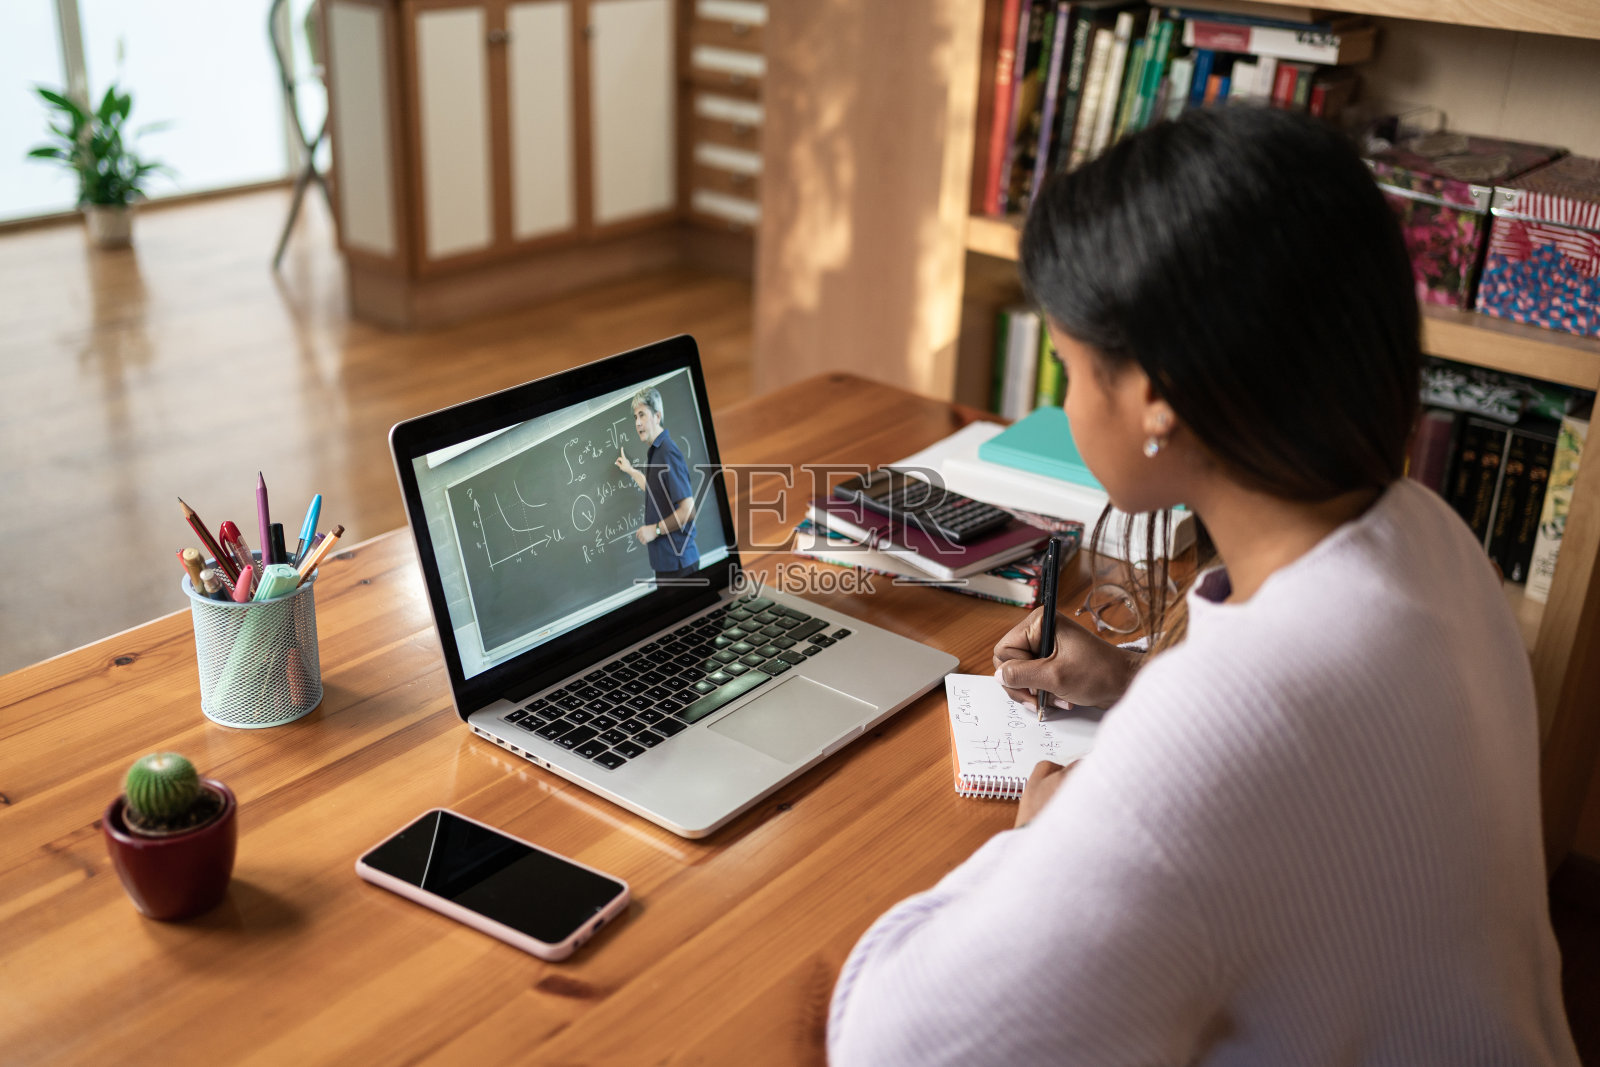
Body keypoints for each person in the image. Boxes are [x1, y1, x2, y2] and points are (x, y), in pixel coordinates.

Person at [827, 107, 1577, 1064]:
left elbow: (898, 1044)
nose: (1060, 399)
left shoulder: (1238, 712)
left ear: (1155, 398)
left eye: (1067, 364)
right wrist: (1136, 688)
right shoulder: (1430, 539)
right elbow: (1317, 800)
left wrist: (1039, 837)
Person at [616, 386, 700, 582]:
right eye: (635, 417)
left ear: (657, 416)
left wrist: (654, 530)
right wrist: (631, 471)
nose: (637, 423)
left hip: (680, 566)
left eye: (642, 415)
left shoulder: (667, 452)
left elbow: (688, 511)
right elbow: (654, 490)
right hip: (669, 565)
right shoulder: (656, 452)